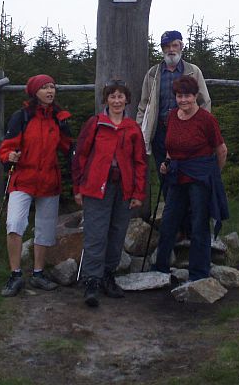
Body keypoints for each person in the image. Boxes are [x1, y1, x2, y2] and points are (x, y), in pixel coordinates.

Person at [72, 80, 147, 307]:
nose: (116, 101)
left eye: (120, 96)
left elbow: (140, 162)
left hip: (123, 188)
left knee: (116, 234)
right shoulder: (95, 124)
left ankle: (108, 276)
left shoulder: (132, 128)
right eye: (112, 96)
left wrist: (138, 193)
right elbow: (80, 156)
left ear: (127, 100)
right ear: (106, 100)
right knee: (96, 234)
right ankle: (91, 281)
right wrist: (78, 188)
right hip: (96, 187)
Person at [0, 74, 72, 297]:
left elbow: (69, 147)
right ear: (34, 92)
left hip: (49, 181)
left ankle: (38, 274)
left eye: (52, 87)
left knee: (45, 229)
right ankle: (15, 275)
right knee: (14, 224)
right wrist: (9, 156)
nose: (50, 91)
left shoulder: (59, 118)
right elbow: (5, 148)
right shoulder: (21, 117)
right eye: (45, 87)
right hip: (23, 179)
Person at [153, 75, 229, 282]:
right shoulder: (172, 116)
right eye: (179, 96)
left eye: (187, 96)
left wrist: (213, 174)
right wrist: (167, 162)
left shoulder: (206, 119)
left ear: (195, 96)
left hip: (200, 178)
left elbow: (221, 150)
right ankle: (160, 268)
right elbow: (171, 147)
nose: (183, 100)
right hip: (177, 176)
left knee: (199, 224)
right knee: (169, 221)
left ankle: (198, 273)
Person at [137, 30, 211, 196]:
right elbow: (144, 105)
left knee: (187, 174)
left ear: (181, 46)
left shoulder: (193, 71)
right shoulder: (153, 73)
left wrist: (201, 129)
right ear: (162, 49)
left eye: (174, 45)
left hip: (187, 131)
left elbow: (205, 101)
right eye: (166, 46)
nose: (171, 49)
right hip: (160, 133)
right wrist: (140, 131)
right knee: (165, 174)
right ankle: (170, 207)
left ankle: (187, 210)